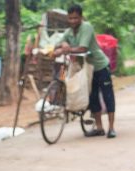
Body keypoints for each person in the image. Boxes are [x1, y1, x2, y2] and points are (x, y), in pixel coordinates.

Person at [55, 4, 118, 139]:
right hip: (85, 69)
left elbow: (83, 48)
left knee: (107, 96)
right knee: (92, 96)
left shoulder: (87, 27)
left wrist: (66, 49)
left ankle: (111, 128)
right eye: (70, 18)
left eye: (75, 18)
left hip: (100, 66)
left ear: (81, 17)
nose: (73, 21)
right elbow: (58, 43)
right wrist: (62, 45)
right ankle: (99, 128)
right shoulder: (69, 32)